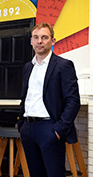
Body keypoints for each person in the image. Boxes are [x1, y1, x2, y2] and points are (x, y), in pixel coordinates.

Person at [17, 22, 80, 177]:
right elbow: (25, 96)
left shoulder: (63, 65)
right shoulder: (28, 67)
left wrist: (59, 130)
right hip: (28, 129)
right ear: (31, 41)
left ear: (53, 41)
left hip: (49, 129)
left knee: (54, 174)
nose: (40, 41)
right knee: (35, 174)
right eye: (36, 37)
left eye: (44, 37)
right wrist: (21, 125)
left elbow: (73, 101)